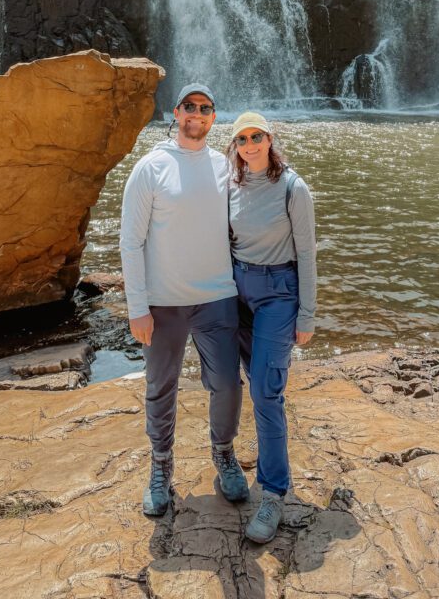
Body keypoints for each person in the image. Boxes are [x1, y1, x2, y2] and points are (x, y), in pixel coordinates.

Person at [119, 83, 250, 517]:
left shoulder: (226, 167)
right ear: (176, 112)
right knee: (160, 388)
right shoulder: (150, 168)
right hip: (164, 302)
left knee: (228, 384)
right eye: (190, 107)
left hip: (217, 297)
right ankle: (161, 466)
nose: (197, 114)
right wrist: (137, 306)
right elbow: (130, 242)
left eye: (206, 108)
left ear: (214, 118)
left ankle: (224, 453)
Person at [227, 111, 317, 544]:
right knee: (243, 380)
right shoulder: (232, 184)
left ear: (269, 138)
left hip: (279, 293)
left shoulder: (293, 188)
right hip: (236, 291)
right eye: (242, 138)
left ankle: (274, 492)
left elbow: (308, 254)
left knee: (265, 389)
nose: (250, 144)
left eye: (256, 136)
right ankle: (246, 460)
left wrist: (308, 314)